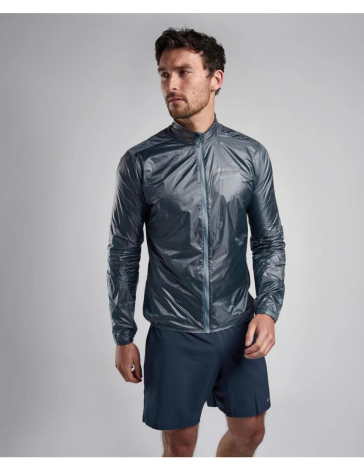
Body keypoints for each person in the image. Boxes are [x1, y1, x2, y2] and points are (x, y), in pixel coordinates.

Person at [107, 27, 286, 457]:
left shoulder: (250, 155)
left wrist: (267, 309)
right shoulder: (141, 162)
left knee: (250, 432)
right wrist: (123, 334)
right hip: (174, 332)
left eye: (183, 72)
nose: (171, 84)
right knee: (180, 446)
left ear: (215, 79)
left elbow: (268, 241)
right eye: (163, 74)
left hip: (238, 324)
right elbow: (124, 252)